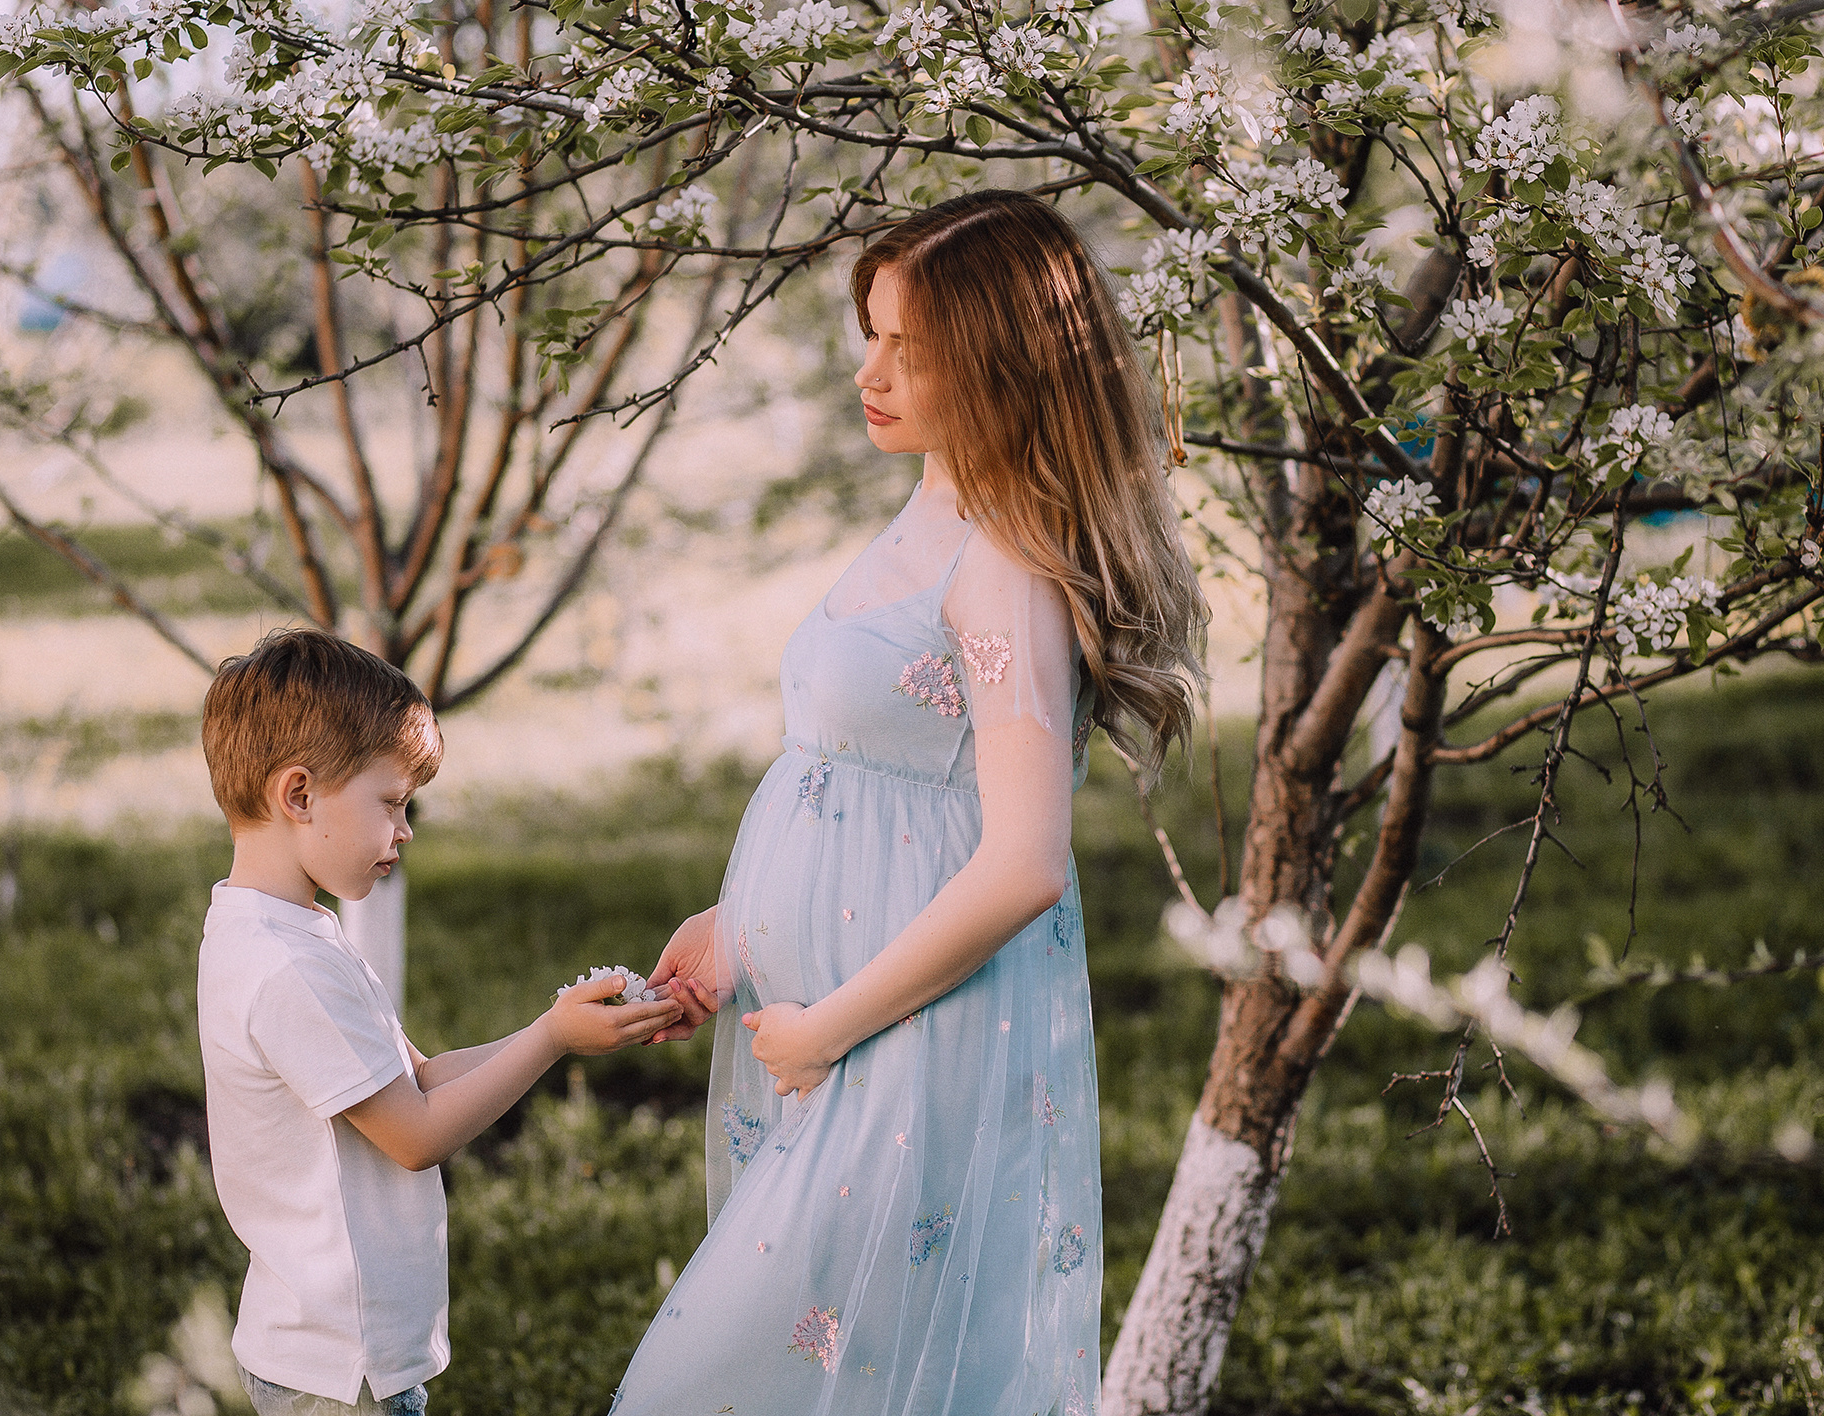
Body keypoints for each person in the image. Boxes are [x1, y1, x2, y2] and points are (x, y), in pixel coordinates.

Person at [613, 191, 1206, 1414]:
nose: (868, 369)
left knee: (728, 1380)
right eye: (871, 332)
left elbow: (1023, 861)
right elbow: (863, 768)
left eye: (910, 349)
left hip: (901, 1035)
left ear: (999, 366)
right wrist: (740, 926)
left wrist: (828, 1026)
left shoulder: (1004, 567)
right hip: (830, 1024)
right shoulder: (932, 501)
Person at [196, 628, 679, 1416]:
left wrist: (551, 1026)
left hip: (334, 1354)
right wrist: (553, 1040)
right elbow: (415, 1134)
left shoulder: (286, 930)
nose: (406, 828)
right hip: (335, 1368)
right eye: (390, 803)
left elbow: (416, 1078)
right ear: (299, 795)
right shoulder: (287, 967)